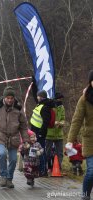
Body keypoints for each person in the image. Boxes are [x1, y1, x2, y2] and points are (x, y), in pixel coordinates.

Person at [0, 86, 29, 188]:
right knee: (2, 153)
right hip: (0, 136)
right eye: (7, 98)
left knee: (13, 159)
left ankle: (9, 179)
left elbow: (23, 125)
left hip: (14, 137)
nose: (9, 100)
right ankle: (3, 176)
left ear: (14, 98)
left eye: (11, 98)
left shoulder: (18, 108)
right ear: (4, 97)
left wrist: (25, 140)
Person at [66, 70, 93, 200]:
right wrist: (70, 140)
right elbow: (77, 120)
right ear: (90, 82)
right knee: (92, 171)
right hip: (90, 140)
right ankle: (86, 195)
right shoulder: (84, 99)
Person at [30, 88, 53, 177]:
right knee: (36, 151)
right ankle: (39, 169)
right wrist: (34, 84)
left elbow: (45, 122)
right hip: (35, 132)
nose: (37, 97)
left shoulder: (45, 107)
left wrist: (41, 133)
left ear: (41, 97)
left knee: (41, 151)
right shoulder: (40, 104)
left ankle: (43, 171)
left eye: (38, 96)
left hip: (39, 133)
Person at [46, 92, 65, 172]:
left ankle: (58, 168)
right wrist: (53, 123)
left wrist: (62, 123)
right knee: (48, 152)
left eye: (61, 99)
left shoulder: (62, 107)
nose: (60, 100)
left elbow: (63, 118)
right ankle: (46, 167)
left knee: (60, 152)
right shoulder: (49, 107)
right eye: (59, 99)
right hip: (49, 134)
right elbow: (46, 120)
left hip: (59, 134)